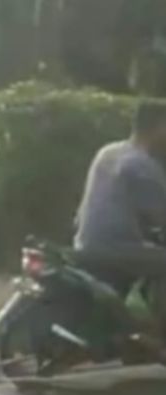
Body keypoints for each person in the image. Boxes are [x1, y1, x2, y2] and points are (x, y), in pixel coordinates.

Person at [75, 101, 166, 319]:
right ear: (160, 127)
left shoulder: (109, 151)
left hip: (86, 242)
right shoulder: (141, 164)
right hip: (115, 248)